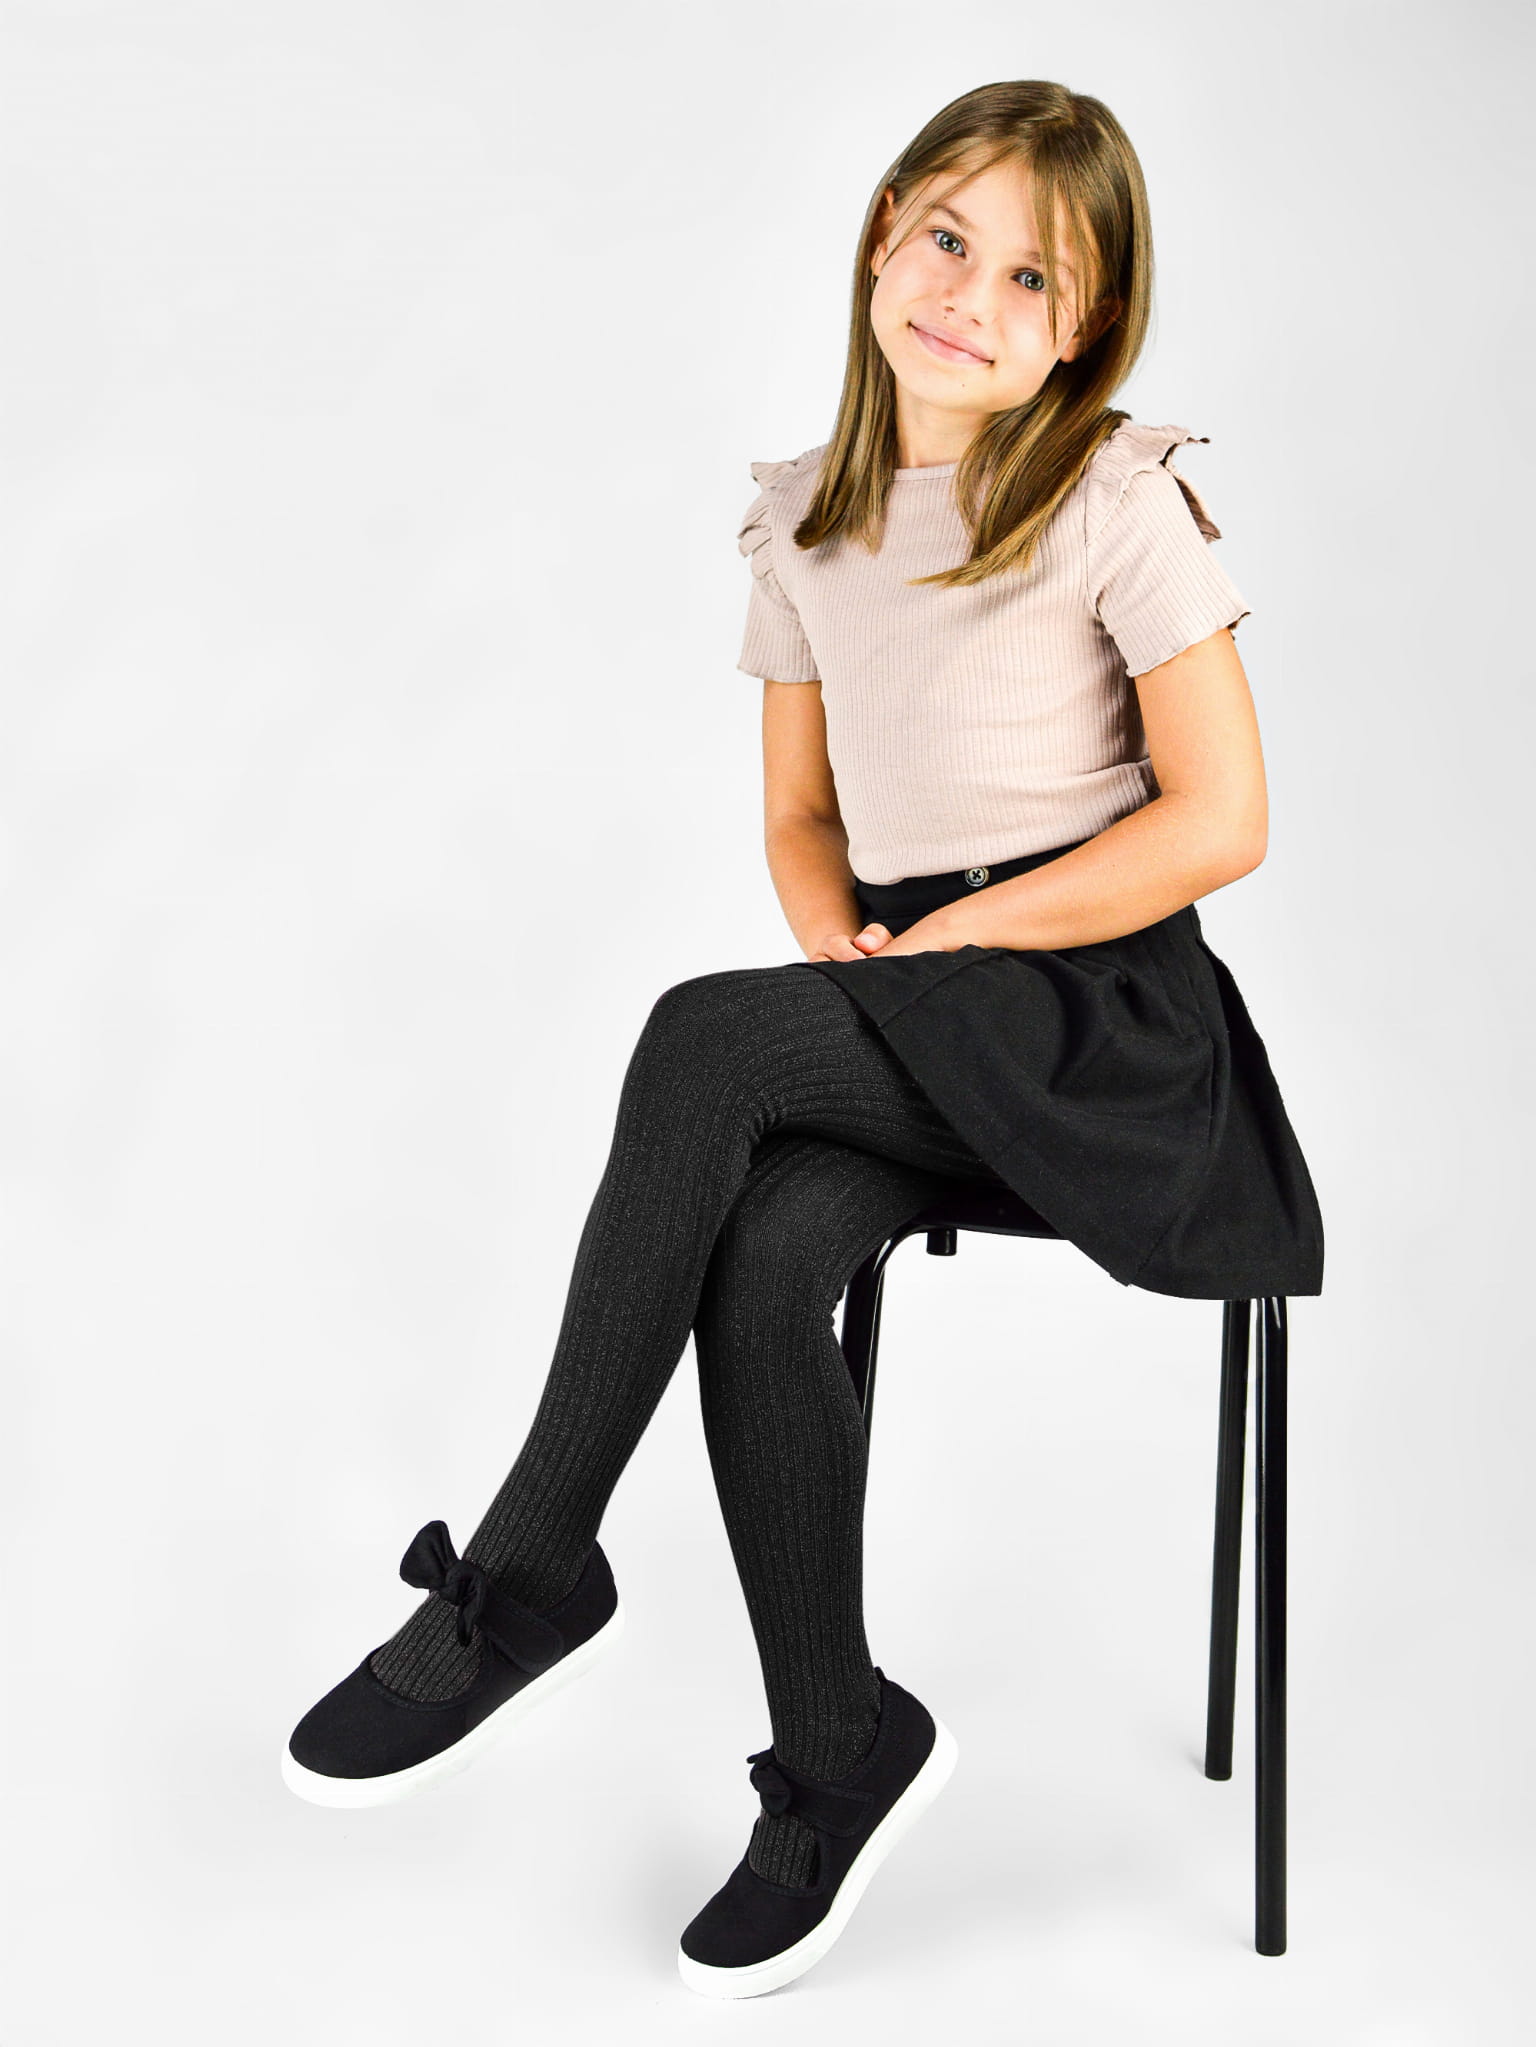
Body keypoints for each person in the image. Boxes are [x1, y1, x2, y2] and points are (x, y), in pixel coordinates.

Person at [280, 78, 1325, 1999]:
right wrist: (849, 948)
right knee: (766, 1254)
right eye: (950, 240)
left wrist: (950, 946)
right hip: (926, 1006)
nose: (972, 297)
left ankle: (530, 1569)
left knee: (702, 1038)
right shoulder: (803, 526)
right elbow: (797, 813)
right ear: (879, 237)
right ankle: (841, 1746)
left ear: (1083, 327)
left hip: (1103, 1024)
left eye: (1033, 278)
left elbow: (1223, 821)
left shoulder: (1115, 498)